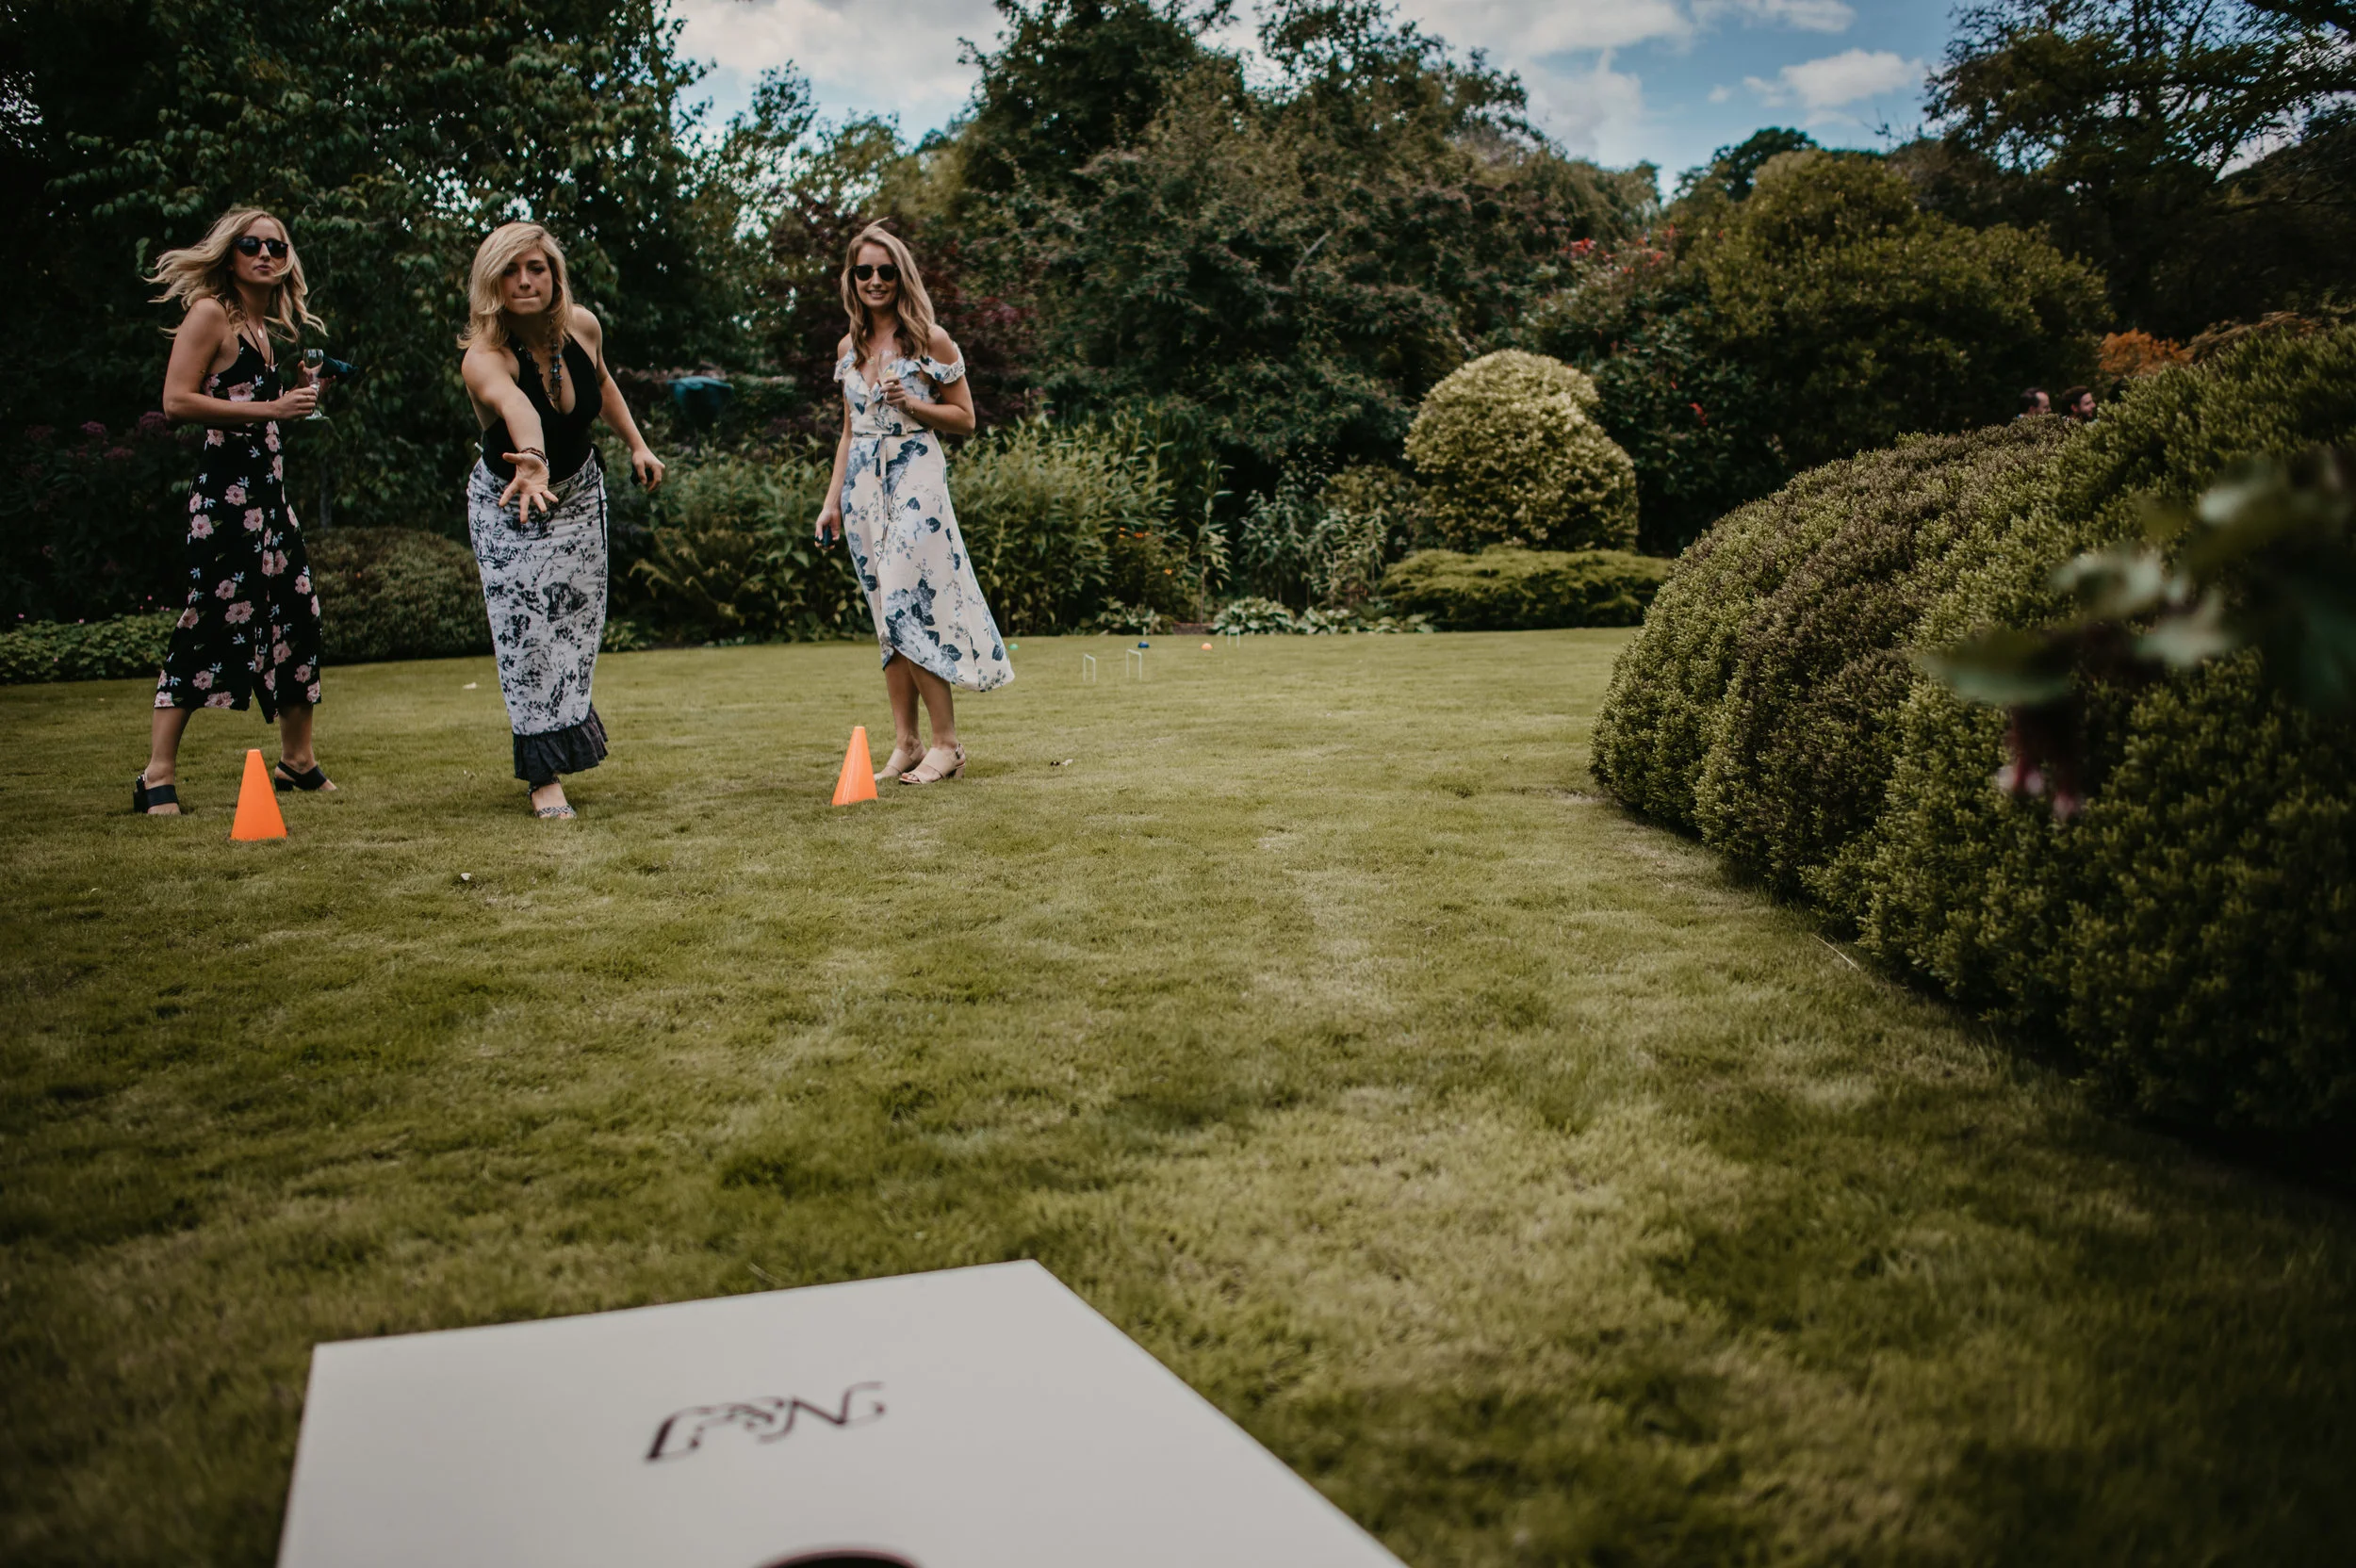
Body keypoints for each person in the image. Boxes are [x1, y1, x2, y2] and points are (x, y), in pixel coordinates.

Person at [459, 222, 663, 820]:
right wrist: (535, 460)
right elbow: (516, 404)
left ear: (555, 275)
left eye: (537, 267)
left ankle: (564, 734)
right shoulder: (485, 356)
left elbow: (602, 381)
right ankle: (542, 774)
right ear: (491, 282)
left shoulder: (582, 326)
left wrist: (637, 445)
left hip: (578, 496)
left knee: (574, 628)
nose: (526, 280)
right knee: (526, 634)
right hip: (511, 503)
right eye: (511, 270)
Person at [136, 207, 333, 816]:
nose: (266, 254)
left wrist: (295, 396)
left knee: (298, 616)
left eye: (277, 245)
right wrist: (271, 411)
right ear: (230, 253)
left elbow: (253, 407)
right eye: (252, 244)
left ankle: (297, 762)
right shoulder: (211, 314)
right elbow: (176, 401)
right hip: (226, 504)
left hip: (270, 501)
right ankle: (155, 776)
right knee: (212, 623)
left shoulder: (263, 328)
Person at [814, 223, 1011, 785]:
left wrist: (916, 404)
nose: (875, 280)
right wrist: (832, 503)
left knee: (906, 597)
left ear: (902, 276)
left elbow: (967, 420)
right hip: (862, 488)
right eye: (864, 271)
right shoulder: (847, 349)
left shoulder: (932, 340)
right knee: (885, 613)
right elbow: (849, 432)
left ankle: (947, 745)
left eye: (886, 271)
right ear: (852, 280)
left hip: (916, 473)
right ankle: (906, 743)